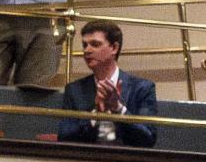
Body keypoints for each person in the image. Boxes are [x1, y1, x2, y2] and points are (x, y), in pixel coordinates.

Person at [55, 19, 157, 149]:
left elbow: (148, 139)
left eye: (95, 44)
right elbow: (64, 137)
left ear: (114, 48)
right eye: (85, 45)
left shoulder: (142, 88)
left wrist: (118, 108)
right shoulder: (74, 90)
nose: (87, 50)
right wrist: (95, 115)